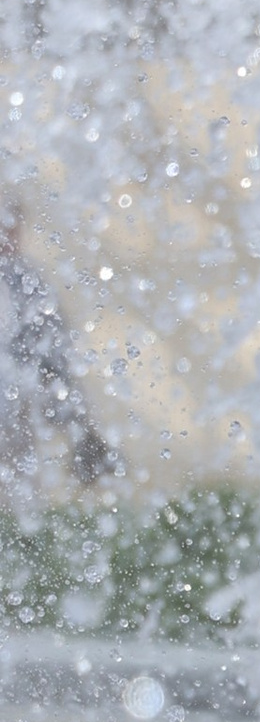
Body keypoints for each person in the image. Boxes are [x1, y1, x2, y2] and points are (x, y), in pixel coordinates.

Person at [0, 199, 114, 510]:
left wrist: (77, 424)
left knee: (16, 497)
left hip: (13, 415)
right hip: (13, 412)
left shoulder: (26, 280)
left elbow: (52, 359)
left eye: (11, 225)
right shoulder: (24, 280)